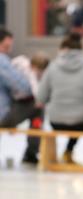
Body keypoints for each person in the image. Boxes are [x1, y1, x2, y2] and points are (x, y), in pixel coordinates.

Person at [37, 32, 83, 165]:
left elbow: (41, 98)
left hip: (56, 121)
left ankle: (67, 152)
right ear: (81, 50)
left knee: (76, 117)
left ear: (63, 49)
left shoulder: (52, 68)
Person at [0, 28, 42, 164]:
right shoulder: (1, 60)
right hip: (2, 115)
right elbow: (23, 87)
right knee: (38, 106)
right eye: (6, 47)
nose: (8, 51)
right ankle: (31, 153)